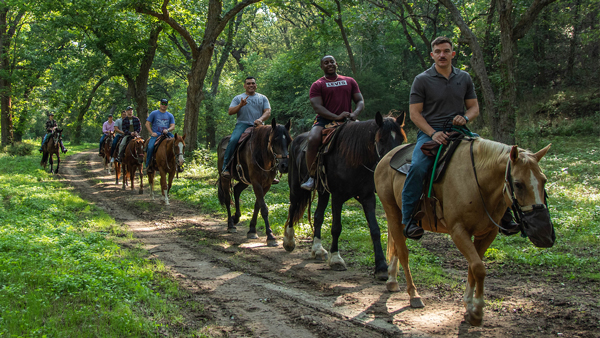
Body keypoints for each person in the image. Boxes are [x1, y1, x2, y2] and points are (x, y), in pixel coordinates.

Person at [401, 36, 517, 240]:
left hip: (459, 131)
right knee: (418, 166)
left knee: (491, 163)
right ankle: (408, 219)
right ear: (432, 55)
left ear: (453, 54)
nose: (442, 55)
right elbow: (414, 114)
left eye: (446, 51)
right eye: (438, 51)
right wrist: (433, 133)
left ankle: (505, 215)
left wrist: (464, 118)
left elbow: (474, 108)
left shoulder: (464, 78)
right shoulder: (422, 79)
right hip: (431, 131)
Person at [300, 55, 364, 191]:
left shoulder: (349, 81)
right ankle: (312, 176)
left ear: (336, 64)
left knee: (366, 137)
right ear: (321, 66)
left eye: (332, 62)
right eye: (326, 62)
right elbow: (318, 107)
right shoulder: (318, 84)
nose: (329, 64)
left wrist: (355, 114)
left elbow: (360, 101)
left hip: (348, 120)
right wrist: (336, 116)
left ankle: (369, 173)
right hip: (324, 121)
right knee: (313, 139)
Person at [221, 76, 271, 179]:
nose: (251, 85)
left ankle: (272, 169)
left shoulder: (263, 98)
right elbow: (230, 112)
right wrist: (240, 105)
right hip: (242, 124)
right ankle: (225, 167)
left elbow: (267, 111)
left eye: (253, 83)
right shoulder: (238, 98)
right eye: (248, 83)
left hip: (259, 125)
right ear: (244, 86)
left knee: (272, 141)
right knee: (233, 140)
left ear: (256, 85)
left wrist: (260, 119)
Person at [145, 99, 175, 173]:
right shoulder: (154, 113)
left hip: (167, 134)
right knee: (150, 147)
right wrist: (151, 133)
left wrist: (168, 130)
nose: (163, 105)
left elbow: (173, 126)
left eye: (165, 104)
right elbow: (147, 124)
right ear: (160, 104)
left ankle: (178, 164)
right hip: (156, 134)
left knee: (177, 144)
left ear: (167, 105)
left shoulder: (170, 115)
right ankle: (148, 164)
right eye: (162, 104)